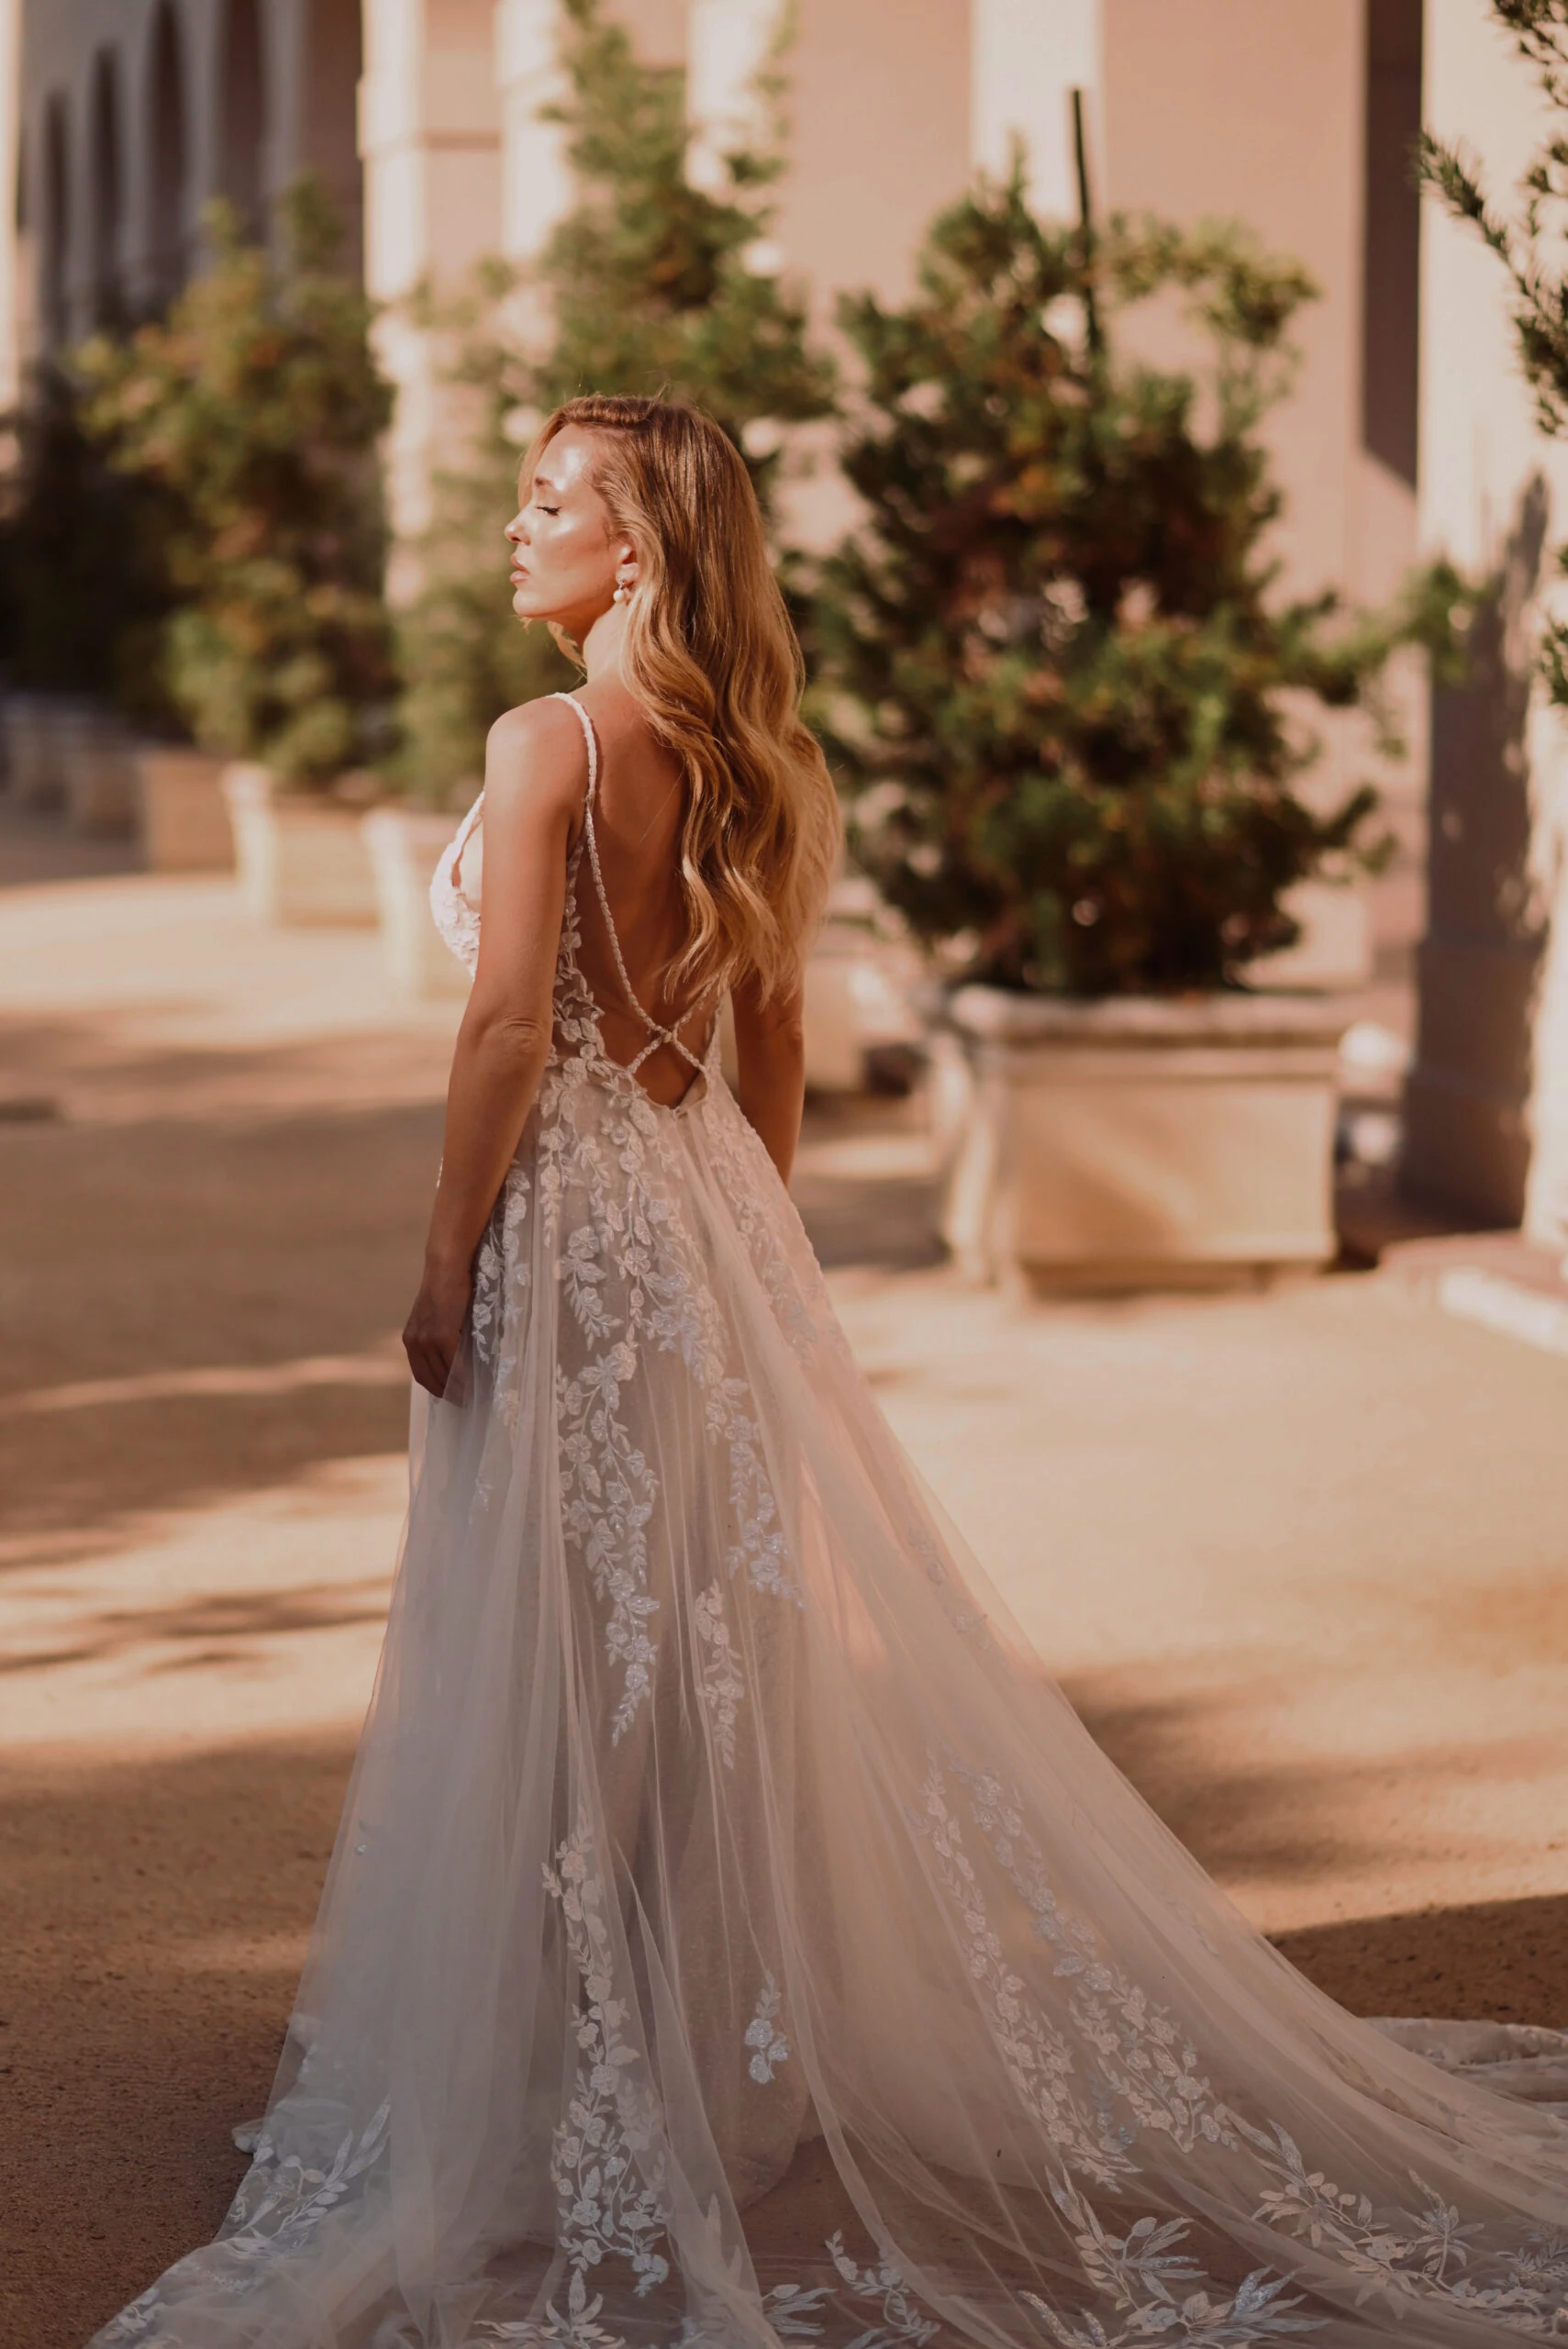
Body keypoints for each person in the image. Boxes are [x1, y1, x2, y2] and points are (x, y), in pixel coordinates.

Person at [91, 396, 1568, 2349]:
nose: (511, 528)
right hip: (698, 1227)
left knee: (557, 1652)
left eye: (548, 502)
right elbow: (770, 1043)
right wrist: (745, 1259)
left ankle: (554, 2091)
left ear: (633, 553)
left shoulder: (542, 743)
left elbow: (499, 1039)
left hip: (569, 1229)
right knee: (691, 1653)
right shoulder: (759, 754)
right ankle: (695, 2057)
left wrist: (446, 1252)